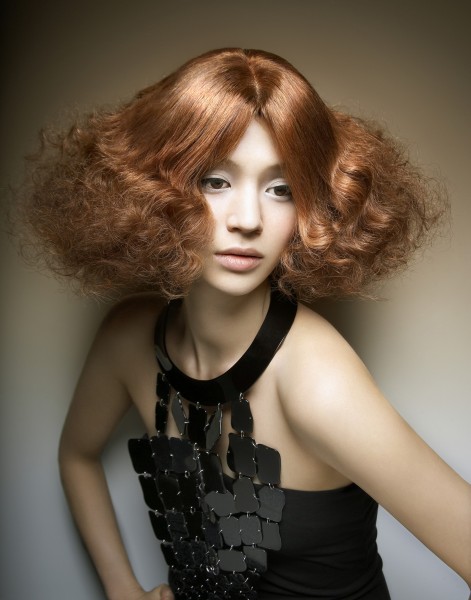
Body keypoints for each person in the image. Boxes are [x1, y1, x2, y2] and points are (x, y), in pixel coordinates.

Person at [18, 48, 470, 600]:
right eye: (215, 181)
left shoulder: (318, 381)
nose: (249, 219)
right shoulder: (127, 339)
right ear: (155, 189)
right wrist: (122, 589)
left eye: (281, 189)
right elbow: (77, 455)